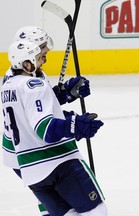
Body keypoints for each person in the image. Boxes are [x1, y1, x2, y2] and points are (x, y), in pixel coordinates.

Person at [2, 39, 107, 216]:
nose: (44, 60)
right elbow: (45, 129)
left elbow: (29, 116)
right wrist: (75, 125)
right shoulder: (33, 84)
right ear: (27, 63)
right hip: (57, 160)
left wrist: (63, 94)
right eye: (40, 57)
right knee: (97, 211)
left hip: (29, 170)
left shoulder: (8, 85)